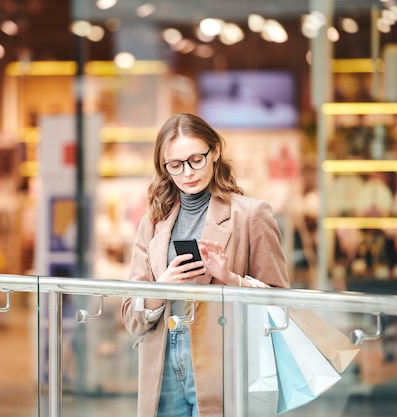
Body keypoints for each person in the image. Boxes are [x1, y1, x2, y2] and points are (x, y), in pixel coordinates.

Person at [121, 113, 290, 417]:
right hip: (161, 365)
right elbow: (130, 316)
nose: (187, 172)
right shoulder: (152, 224)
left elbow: (281, 305)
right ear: (164, 168)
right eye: (175, 165)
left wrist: (231, 279)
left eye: (196, 159)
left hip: (223, 362)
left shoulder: (252, 215)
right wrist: (162, 288)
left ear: (215, 152)